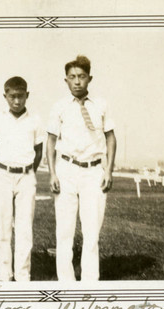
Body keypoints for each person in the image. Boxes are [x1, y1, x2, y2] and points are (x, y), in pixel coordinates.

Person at [46, 55, 117, 281]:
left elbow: (111, 138)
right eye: (72, 77)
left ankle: (89, 283)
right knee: (64, 231)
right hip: (66, 169)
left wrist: (108, 171)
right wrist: (52, 173)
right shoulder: (59, 107)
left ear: (90, 78)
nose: (77, 82)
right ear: (65, 80)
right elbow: (50, 141)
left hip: (94, 172)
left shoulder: (101, 105)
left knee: (91, 232)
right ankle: (66, 283)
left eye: (82, 77)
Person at [0, 76, 44, 281]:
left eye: (21, 96)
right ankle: (4, 274)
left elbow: (38, 151)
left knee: (24, 227)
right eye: (12, 97)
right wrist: (4, 167)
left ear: (27, 95)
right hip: (2, 174)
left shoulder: (35, 120)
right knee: (2, 225)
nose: (17, 101)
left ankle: (23, 274)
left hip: (26, 176)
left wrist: (28, 170)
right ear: (5, 96)